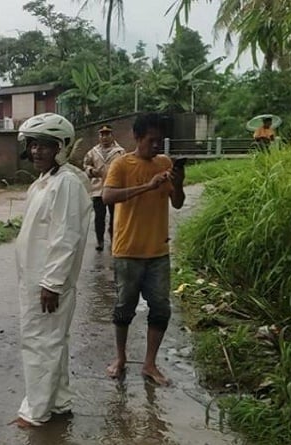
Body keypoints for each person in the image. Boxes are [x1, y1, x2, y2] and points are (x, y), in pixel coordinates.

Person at [13, 113, 92, 427]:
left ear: (61, 147)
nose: (36, 152)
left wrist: (52, 283)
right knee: (53, 342)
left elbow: (66, 236)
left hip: (46, 283)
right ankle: (58, 402)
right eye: (33, 145)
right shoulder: (45, 182)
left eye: (44, 146)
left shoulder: (67, 183)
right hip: (36, 279)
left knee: (39, 343)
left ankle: (36, 411)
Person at [102, 113, 185, 386]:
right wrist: (147, 187)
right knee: (124, 307)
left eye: (160, 141)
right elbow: (108, 196)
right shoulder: (121, 164)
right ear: (137, 138)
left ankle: (150, 364)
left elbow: (178, 204)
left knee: (161, 308)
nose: (157, 146)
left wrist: (178, 181)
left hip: (158, 251)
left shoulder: (165, 163)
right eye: (152, 141)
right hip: (127, 251)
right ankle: (120, 358)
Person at [83, 124, 126, 251]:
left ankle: (114, 239)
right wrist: (91, 171)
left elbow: (125, 167)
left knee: (115, 216)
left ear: (112, 136)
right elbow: (85, 165)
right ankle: (99, 240)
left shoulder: (120, 152)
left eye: (107, 134)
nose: (104, 137)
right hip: (98, 189)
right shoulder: (93, 152)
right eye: (102, 134)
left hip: (114, 189)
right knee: (99, 216)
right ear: (99, 136)